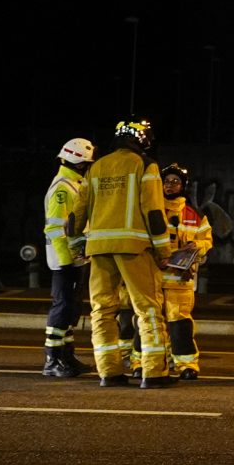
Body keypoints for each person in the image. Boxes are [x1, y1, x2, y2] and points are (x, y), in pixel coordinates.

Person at [81, 117, 175, 388]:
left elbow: (77, 213)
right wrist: (163, 250)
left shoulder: (97, 166)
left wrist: (78, 245)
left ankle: (109, 373)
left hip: (98, 249)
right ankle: (154, 373)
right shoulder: (145, 165)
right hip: (134, 249)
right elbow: (154, 213)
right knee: (147, 308)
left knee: (101, 311)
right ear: (144, 139)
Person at [40, 137, 97, 377]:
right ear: (79, 163)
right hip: (65, 258)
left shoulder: (74, 183)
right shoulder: (63, 187)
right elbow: (54, 227)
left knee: (72, 308)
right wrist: (66, 260)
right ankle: (52, 360)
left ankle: (66, 356)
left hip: (76, 256)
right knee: (63, 306)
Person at [155, 161, 214, 381]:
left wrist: (197, 247)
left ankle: (186, 364)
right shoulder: (151, 210)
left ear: (183, 186)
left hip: (180, 281)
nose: (170, 185)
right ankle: (143, 363)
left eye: (175, 181)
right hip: (153, 278)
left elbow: (207, 241)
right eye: (166, 181)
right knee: (151, 323)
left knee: (180, 325)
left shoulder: (194, 214)